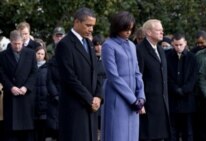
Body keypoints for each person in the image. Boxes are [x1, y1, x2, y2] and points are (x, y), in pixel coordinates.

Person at [55, 7, 102, 141]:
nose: (91, 29)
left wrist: (98, 96)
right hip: (75, 107)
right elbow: (69, 77)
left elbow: (97, 71)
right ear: (76, 22)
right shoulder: (65, 44)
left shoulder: (89, 43)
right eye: (88, 25)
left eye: (93, 26)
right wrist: (89, 99)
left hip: (91, 107)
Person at [101, 11, 145, 141]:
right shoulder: (108, 45)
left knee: (132, 135)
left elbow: (137, 72)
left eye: (131, 29)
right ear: (117, 27)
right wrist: (132, 99)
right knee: (117, 134)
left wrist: (141, 96)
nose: (128, 32)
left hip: (134, 99)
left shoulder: (132, 45)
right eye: (125, 29)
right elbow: (113, 76)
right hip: (117, 97)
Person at [136, 19, 171, 141]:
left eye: (162, 30)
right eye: (158, 30)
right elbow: (138, 77)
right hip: (147, 103)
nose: (162, 32)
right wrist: (140, 102)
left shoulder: (160, 50)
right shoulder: (140, 50)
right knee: (148, 136)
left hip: (161, 102)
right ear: (149, 32)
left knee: (160, 136)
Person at [0, 30, 37, 141]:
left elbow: (34, 72)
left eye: (19, 43)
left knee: (26, 131)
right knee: (11, 130)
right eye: (15, 44)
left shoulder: (30, 53)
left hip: (26, 95)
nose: (17, 46)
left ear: (22, 41)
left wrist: (26, 87)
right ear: (10, 42)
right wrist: (10, 87)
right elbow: (1, 74)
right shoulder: (3, 55)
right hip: (11, 95)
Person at [165, 33, 198, 141]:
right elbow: (166, 76)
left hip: (187, 100)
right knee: (172, 131)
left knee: (188, 131)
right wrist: (175, 88)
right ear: (172, 44)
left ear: (185, 44)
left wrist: (184, 90)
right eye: (176, 45)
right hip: (172, 100)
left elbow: (193, 78)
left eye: (180, 44)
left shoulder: (192, 58)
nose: (178, 47)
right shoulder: (167, 57)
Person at [34, 46, 49, 141]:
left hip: (45, 101)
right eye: (38, 53)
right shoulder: (31, 66)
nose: (40, 56)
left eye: (42, 54)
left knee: (43, 129)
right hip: (33, 102)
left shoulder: (48, 68)